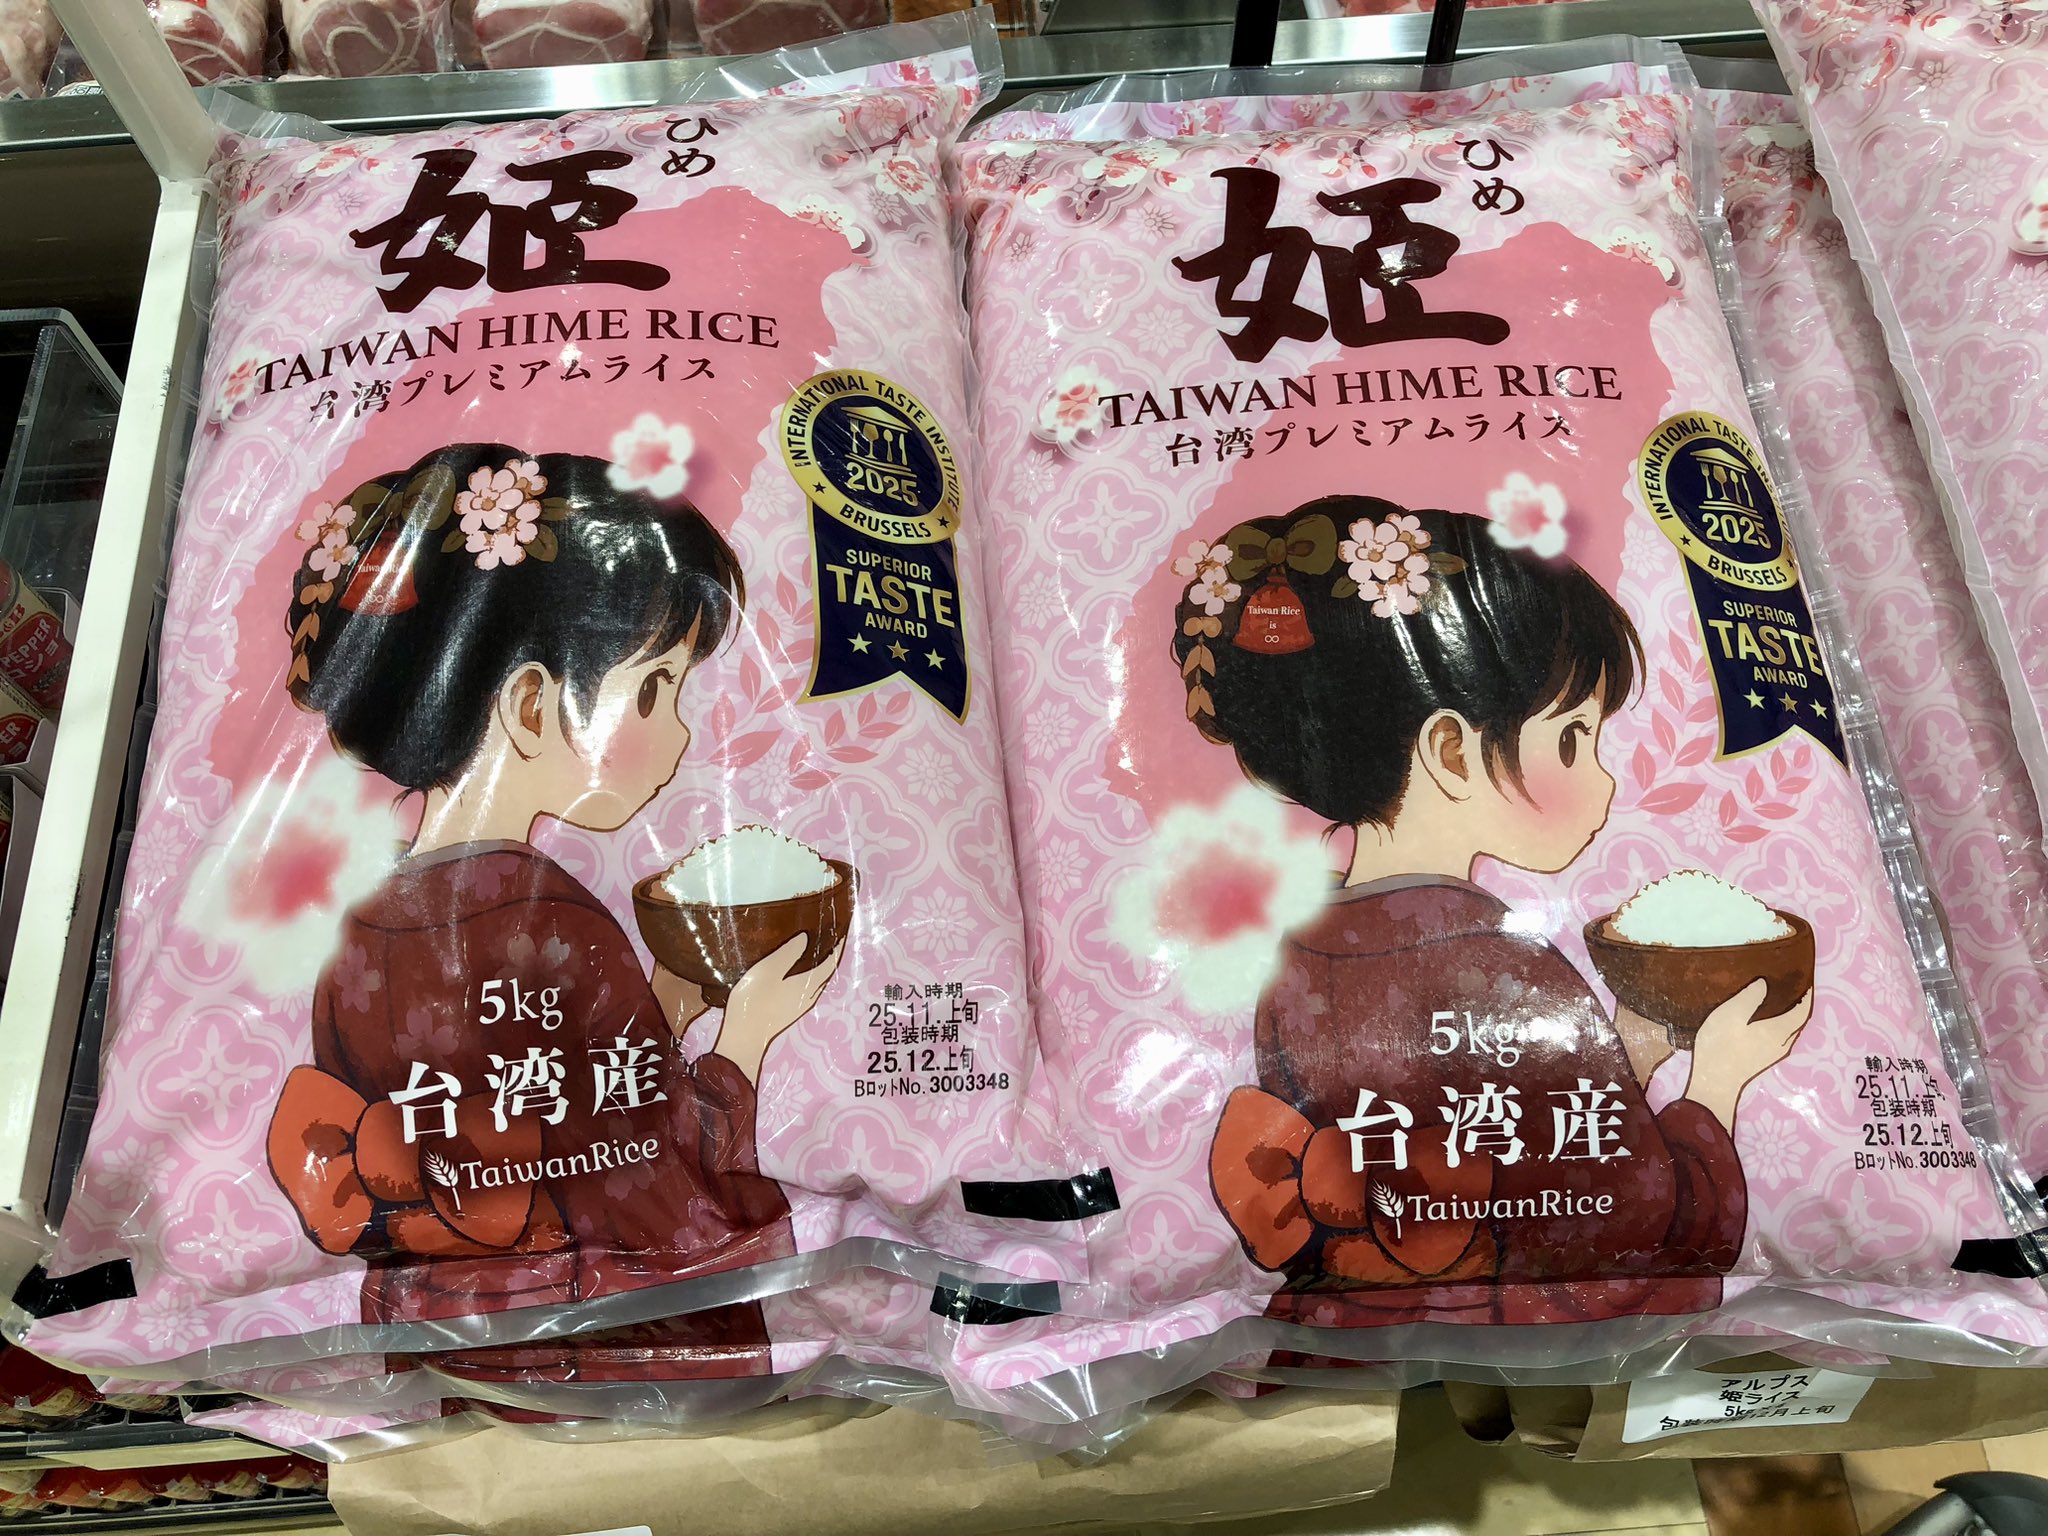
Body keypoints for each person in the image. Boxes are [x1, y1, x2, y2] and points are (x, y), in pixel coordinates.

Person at [1185, 496, 1809, 1326]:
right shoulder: (1497, 961)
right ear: (1451, 752)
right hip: (1498, 1335)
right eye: (1572, 738)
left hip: (1347, 1328)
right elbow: (1625, 1236)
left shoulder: (1301, 941)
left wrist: (1624, 1057)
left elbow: (1482, 1126)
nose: (1605, 778)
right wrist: (1717, 1081)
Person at [265, 443, 841, 1339]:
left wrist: (664, 1007)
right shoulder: (548, 920)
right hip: (591, 1338)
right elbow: (652, 1190)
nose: (681, 733)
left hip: (443, 1328)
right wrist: (747, 1036)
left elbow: (542, 1095)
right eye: (654, 691)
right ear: (532, 706)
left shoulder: (363, 918)